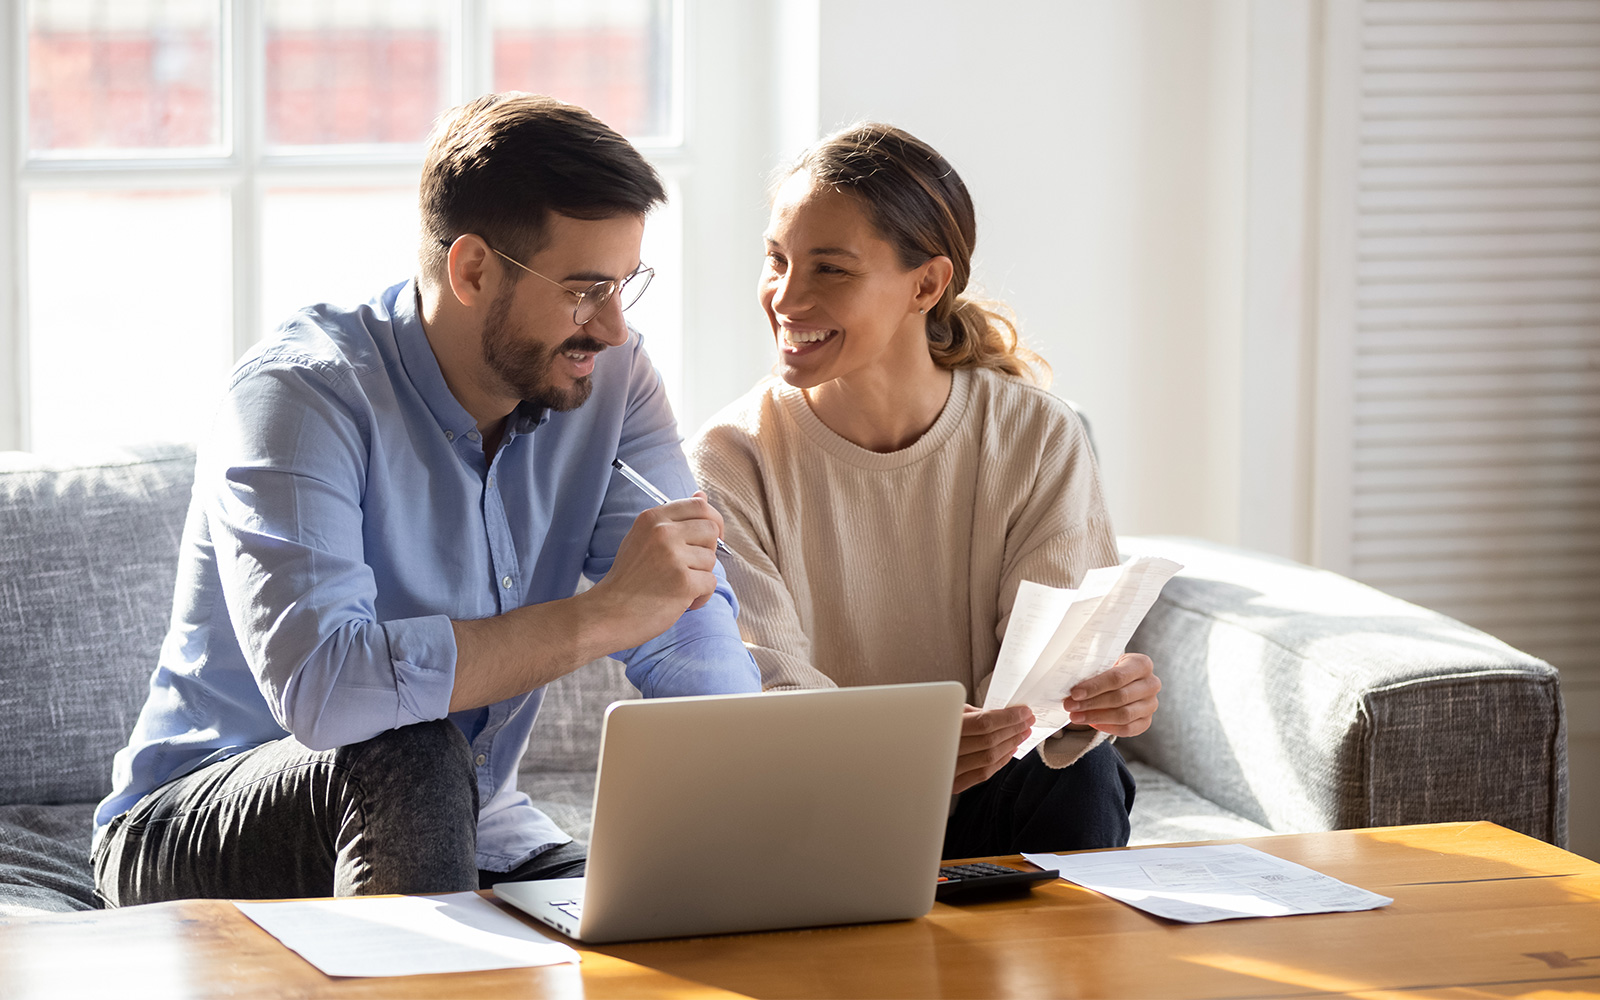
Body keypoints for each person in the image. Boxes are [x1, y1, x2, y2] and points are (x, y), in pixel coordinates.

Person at [92, 93, 759, 905]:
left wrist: (753, 794)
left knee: (673, 915)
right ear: (473, 269)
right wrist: (601, 615)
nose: (613, 327)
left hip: (478, 824)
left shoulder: (612, 379)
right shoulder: (300, 398)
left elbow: (685, 614)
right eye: (586, 289)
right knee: (409, 749)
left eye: (626, 285)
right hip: (197, 817)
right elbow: (328, 689)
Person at [688, 123, 1160, 858]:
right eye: (776, 261)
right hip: (820, 807)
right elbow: (767, 694)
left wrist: (1098, 701)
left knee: (1083, 774)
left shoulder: (1037, 434)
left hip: (994, 792)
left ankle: (1070, 970)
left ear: (927, 284)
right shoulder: (730, 457)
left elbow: (1048, 682)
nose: (786, 296)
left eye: (830, 270)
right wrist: (914, 751)